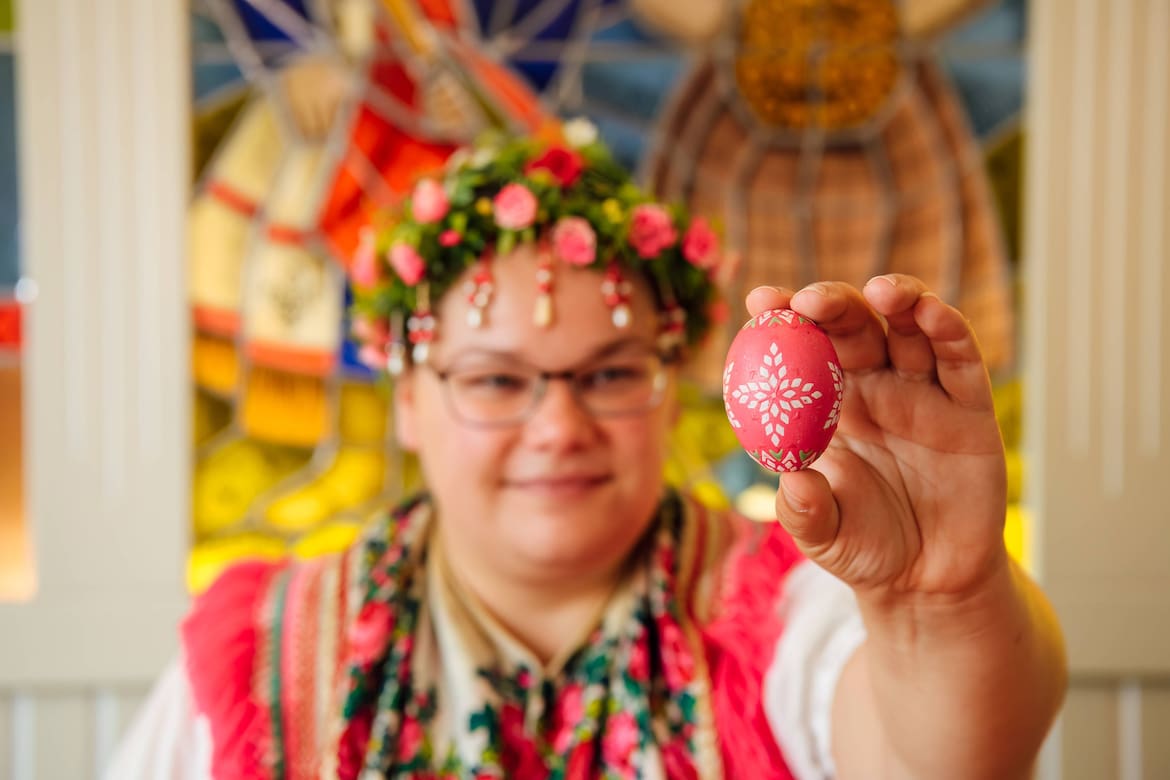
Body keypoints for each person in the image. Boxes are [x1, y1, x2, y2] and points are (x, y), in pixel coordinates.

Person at [107, 122, 1066, 779]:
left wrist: (941, 604)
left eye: (609, 374)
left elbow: (939, 762)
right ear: (407, 402)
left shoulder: (784, 611)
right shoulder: (266, 655)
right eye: (496, 381)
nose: (559, 428)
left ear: (670, 385)